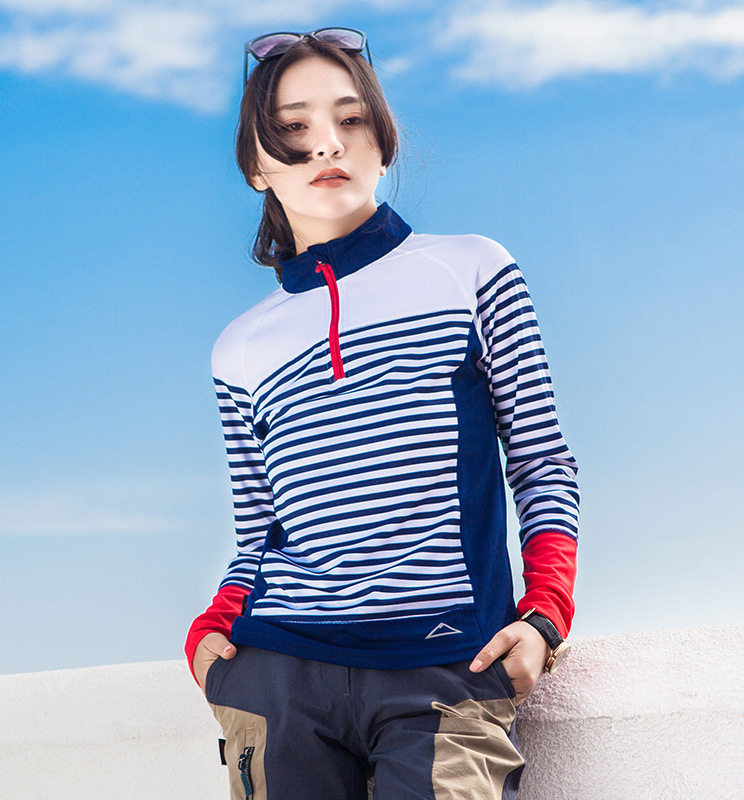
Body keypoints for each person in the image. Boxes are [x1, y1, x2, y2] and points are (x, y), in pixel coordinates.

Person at [185, 27, 579, 800]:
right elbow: (258, 531)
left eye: (351, 118)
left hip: (446, 665)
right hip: (279, 673)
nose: (327, 143)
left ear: (383, 143)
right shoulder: (239, 349)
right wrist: (212, 630)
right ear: (256, 165)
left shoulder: (472, 270)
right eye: (293, 126)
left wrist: (545, 616)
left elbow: (541, 462)